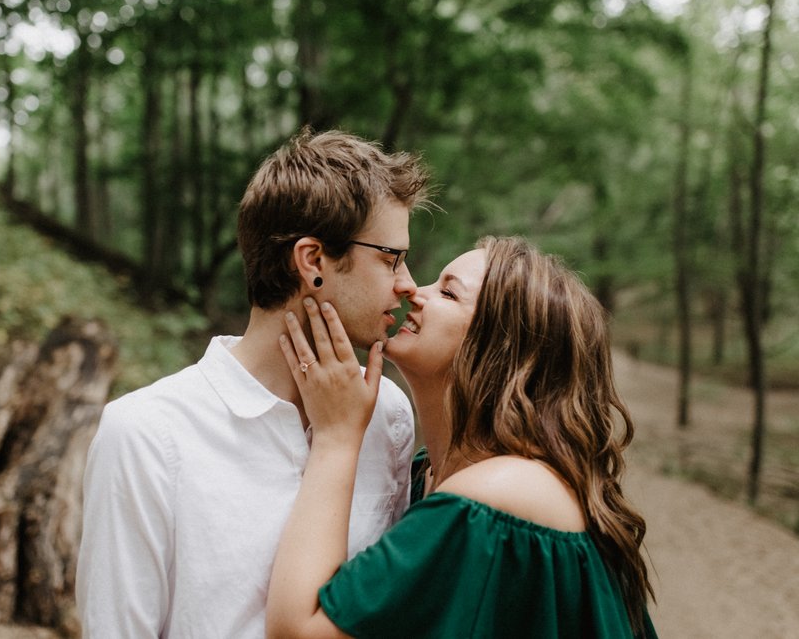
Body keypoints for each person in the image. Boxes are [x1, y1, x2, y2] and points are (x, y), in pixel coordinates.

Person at [75, 128, 432, 637]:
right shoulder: (145, 435)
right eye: (390, 257)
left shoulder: (387, 411)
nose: (408, 284)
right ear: (312, 261)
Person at [267, 236, 657, 639]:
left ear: (501, 348)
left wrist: (336, 435)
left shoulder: (497, 499)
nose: (413, 292)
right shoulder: (429, 474)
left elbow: (298, 631)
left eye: (448, 293)